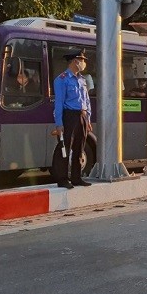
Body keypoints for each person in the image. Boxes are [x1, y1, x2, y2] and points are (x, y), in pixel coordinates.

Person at [52, 50, 93, 189]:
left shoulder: (82, 79)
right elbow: (58, 102)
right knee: (65, 148)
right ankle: (62, 179)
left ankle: (76, 177)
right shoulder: (62, 79)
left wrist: (87, 119)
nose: (83, 63)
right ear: (75, 61)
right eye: (81, 60)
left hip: (81, 116)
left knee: (79, 148)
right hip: (68, 116)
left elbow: (86, 101)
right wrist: (59, 123)